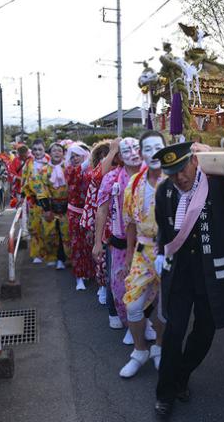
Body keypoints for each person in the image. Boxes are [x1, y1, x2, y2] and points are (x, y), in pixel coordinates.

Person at [152, 141, 224, 418]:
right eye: (172, 173)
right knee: (173, 332)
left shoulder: (218, 185)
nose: (179, 178)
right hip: (179, 274)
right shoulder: (165, 192)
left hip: (211, 278)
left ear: (195, 161)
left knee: (205, 332)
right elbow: (164, 228)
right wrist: (160, 252)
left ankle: (181, 376)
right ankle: (165, 393)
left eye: (182, 170)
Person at [119, 131, 166, 378]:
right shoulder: (134, 183)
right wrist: (128, 253)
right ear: (142, 153)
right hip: (142, 251)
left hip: (171, 252)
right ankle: (140, 351)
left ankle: (159, 348)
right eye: (148, 148)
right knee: (133, 305)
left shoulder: (176, 179)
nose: (154, 152)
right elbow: (129, 223)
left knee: (164, 307)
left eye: (159, 147)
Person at [93, 138, 142, 338]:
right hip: (120, 240)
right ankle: (130, 324)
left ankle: (143, 322)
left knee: (149, 286)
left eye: (136, 148)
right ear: (119, 156)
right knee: (120, 284)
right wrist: (97, 242)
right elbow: (102, 210)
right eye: (126, 150)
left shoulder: (152, 175)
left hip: (147, 241)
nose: (132, 153)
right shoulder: (111, 178)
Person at [81, 140, 117, 305]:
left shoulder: (121, 172)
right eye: (103, 157)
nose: (107, 161)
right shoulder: (94, 174)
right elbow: (90, 203)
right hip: (101, 222)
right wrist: (90, 228)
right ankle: (103, 287)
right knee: (102, 261)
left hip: (119, 223)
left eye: (110, 156)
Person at [65, 142, 94, 291]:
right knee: (77, 244)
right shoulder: (69, 170)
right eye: (72, 156)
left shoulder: (91, 170)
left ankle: (89, 272)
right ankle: (79, 277)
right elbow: (73, 178)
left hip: (89, 212)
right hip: (75, 213)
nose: (75, 158)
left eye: (78, 155)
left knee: (89, 244)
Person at [41, 143, 70, 270]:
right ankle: (54, 257)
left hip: (68, 206)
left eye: (59, 151)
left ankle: (63, 258)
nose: (57, 153)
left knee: (66, 233)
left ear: (63, 153)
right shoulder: (44, 170)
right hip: (51, 206)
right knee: (51, 233)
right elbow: (41, 189)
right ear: (50, 153)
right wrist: (47, 208)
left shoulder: (69, 168)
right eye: (54, 151)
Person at [21, 139, 50, 264]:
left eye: (40, 149)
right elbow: (23, 180)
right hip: (33, 201)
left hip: (49, 202)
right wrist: (21, 196)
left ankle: (49, 254)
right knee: (34, 228)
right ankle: (37, 253)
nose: (37, 152)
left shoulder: (50, 161)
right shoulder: (29, 163)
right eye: (35, 149)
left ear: (44, 149)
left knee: (49, 229)